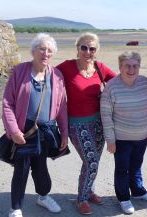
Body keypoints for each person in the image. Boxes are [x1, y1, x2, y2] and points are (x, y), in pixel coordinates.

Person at [2, 33, 68, 217]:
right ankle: (15, 207)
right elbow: (8, 103)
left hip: (47, 130)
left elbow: (62, 106)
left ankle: (43, 196)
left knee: (41, 167)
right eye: (42, 49)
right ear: (33, 51)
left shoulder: (57, 75)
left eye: (49, 50)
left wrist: (64, 133)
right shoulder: (20, 71)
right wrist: (13, 130)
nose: (45, 53)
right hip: (25, 129)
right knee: (21, 168)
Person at [56, 32, 116, 215]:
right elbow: (45, 75)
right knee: (91, 161)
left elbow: (120, 83)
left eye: (92, 48)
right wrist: (21, 71)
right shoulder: (67, 67)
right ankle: (81, 198)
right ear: (77, 48)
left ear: (96, 51)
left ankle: (89, 191)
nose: (87, 51)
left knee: (93, 161)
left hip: (99, 122)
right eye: (84, 47)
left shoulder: (100, 68)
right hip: (76, 123)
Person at [100, 51, 147, 214]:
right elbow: (106, 115)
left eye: (135, 66)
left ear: (139, 67)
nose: (131, 69)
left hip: (141, 137)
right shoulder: (111, 86)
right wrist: (110, 140)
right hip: (121, 139)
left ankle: (138, 191)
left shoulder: (146, 83)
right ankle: (124, 198)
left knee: (136, 165)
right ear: (120, 67)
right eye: (127, 66)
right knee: (122, 168)